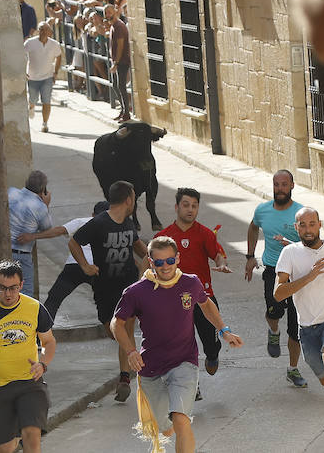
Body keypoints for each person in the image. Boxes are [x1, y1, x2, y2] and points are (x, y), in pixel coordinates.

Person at [112, 236, 243, 453]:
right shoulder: (136, 291)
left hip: (184, 362)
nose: (165, 266)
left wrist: (224, 330)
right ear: (150, 261)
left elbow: (206, 303)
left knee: (181, 420)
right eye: (159, 262)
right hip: (151, 368)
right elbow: (117, 323)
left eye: (170, 261)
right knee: (167, 429)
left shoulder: (190, 282)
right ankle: (165, 424)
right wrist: (130, 351)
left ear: (178, 259)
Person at [274, 207, 324, 438]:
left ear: (319, 225)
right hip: (307, 328)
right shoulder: (289, 253)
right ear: (296, 227)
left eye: (312, 224)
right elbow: (279, 293)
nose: (308, 229)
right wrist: (309, 276)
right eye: (303, 225)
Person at [0, 260, 56, 453]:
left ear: (21, 285)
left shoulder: (34, 308)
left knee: (32, 435)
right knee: (4, 449)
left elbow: (49, 341)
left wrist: (43, 364)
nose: (8, 294)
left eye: (13, 288)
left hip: (30, 384)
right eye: (2, 288)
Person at [69, 180, 148, 402]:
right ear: (128, 199)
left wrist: (154, 259)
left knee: (126, 326)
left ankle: (125, 376)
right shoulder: (99, 223)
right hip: (104, 287)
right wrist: (85, 265)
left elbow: (139, 247)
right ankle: (130, 362)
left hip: (129, 285)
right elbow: (74, 243)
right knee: (111, 329)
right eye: (134, 198)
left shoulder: (128, 224)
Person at [154, 188, 230, 398]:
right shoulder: (163, 237)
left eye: (194, 206)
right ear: (177, 207)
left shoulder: (204, 233)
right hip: (175, 301)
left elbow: (218, 255)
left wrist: (222, 265)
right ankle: (190, 385)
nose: (190, 209)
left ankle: (212, 354)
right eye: (186, 205)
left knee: (211, 345)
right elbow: (151, 264)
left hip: (203, 298)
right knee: (182, 345)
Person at [245, 170, 308, 387]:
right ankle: (273, 330)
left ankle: (293, 368)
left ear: (292, 185)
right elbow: (253, 227)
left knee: (295, 326)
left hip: (296, 273)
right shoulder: (262, 211)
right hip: (273, 270)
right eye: (276, 184)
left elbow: (311, 243)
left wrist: (291, 245)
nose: (279, 188)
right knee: (274, 311)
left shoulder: (301, 213)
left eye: (284, 184)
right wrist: (250, 256)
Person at [43, 200, 110, 319]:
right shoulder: (112, 224)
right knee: (109, 298)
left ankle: (42, 331)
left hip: (74, 265)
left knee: (54, 298)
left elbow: (59, 231)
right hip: (97, 268)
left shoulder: (81, 221)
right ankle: (115, 327)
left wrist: (33, 236)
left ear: (93, 214)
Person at [8, 171, 55, 297]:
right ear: (43, 190)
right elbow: (47, 228)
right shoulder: (40, 207)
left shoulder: (10, 192)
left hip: (5, 250)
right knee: (26, 294)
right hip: (22, 255)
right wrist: (46, 205)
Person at [24, 22, 62, 133]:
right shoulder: (29, 43)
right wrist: (23, 71)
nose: (43, 32)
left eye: (46, 30)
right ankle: (31, 106)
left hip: (47, 77)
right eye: (41, 29)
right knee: (33, 99)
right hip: (32, 77)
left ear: (50, 32)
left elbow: (59, 57)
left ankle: (45, 124)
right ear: (38, 31)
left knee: (46, 101)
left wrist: (55, 72)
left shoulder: (54, 44)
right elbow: (22, 57)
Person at [105, 4, 131, 122]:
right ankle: (123, 110)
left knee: (121, 86)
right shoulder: (113, 26)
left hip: (122, 61)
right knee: (116, 86)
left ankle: (126, 113)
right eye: (106, 13)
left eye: (109, 12)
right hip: (117, 61)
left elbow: (121, 46)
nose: (107, 15)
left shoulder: (119, 27)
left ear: (115, 12)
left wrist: (116, 62)